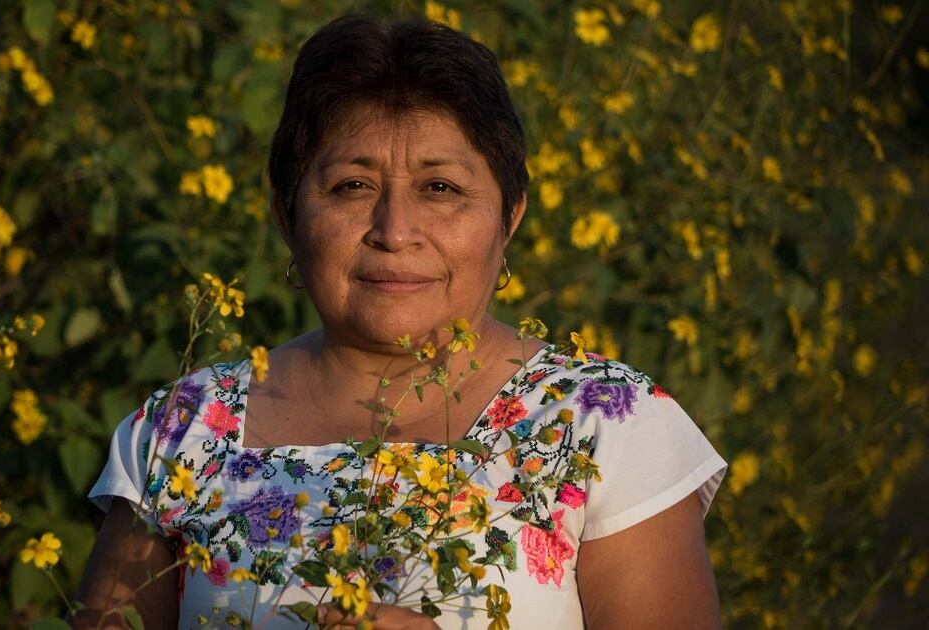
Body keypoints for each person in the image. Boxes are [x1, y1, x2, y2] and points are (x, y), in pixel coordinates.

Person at [75, 13, 726, 629]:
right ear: (286, 217)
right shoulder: (180, 433)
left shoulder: (603, 424)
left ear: (510, 217)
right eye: (351, 187)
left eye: (441, 188)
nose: (394, 231)